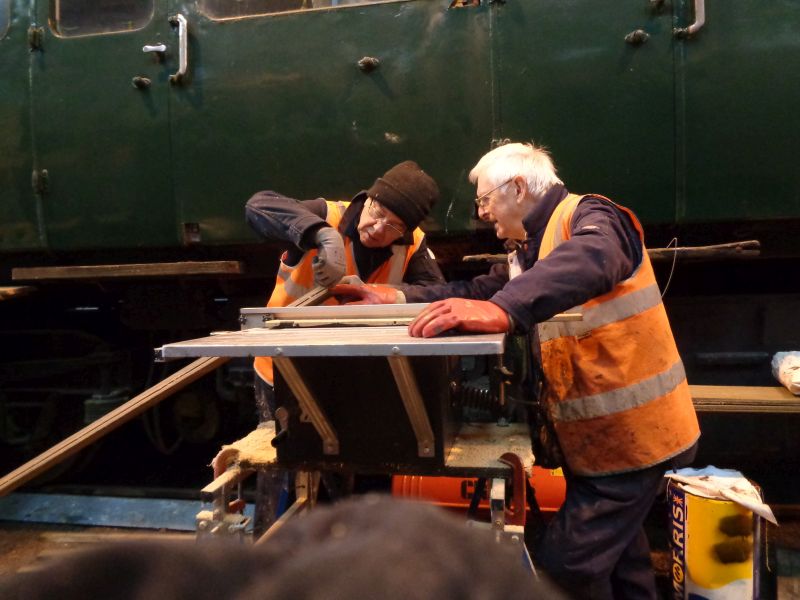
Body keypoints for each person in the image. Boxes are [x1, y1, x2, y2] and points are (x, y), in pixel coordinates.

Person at [332, 142, 700, 599]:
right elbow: (473, 289)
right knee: (624, 564)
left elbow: (594, 257)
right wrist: (395, 297)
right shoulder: (529, 250)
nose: (482, 213)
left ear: (519, 188)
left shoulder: (593, 218)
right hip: (604, 443)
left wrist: (506, 310)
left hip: (636, 438)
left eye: (485, 199)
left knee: (566, 571)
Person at [244, 161, 445, 530]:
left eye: (394, 226)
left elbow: (437, 293)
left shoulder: (412, 244)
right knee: (288, 471)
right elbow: (258, 205)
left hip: (355, 373)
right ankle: (276, 563)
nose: (379, 229)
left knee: (364, 466)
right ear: (367, 199)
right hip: (286, 369)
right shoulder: (327, 214)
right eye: (378, 213)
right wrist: (321, 236)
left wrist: (386, 294)